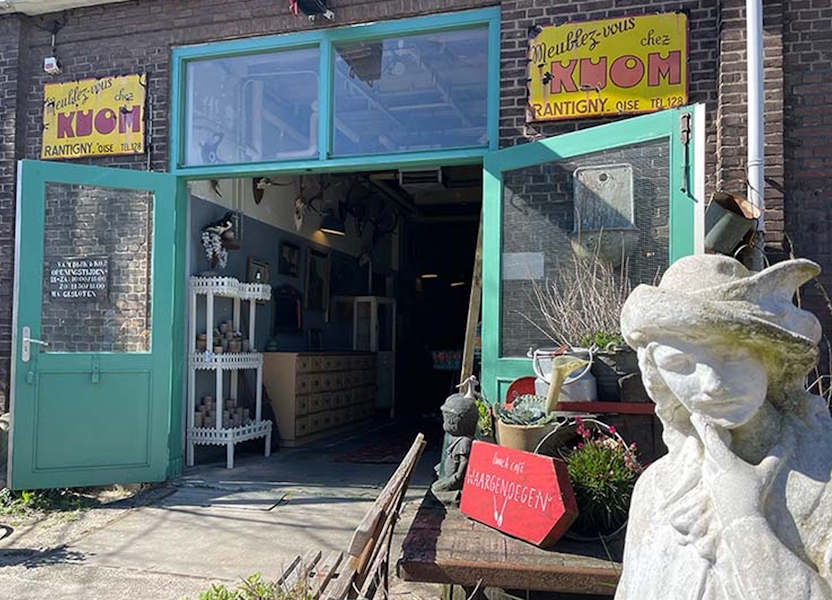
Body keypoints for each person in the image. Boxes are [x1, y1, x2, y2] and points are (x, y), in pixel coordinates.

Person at [615, 254, 832, 599]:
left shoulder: (822, 480)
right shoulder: (655, 488)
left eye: (731, 355)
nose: (712, 383)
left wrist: (743, 521)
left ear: (771, 359)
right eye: (679, 362)